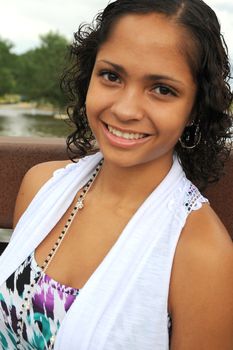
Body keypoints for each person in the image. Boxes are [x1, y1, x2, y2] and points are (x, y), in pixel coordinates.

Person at [0, 0, 233, 349]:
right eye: (111, 76)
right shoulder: (41, 187)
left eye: (162, 89)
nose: (124, 110)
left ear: (195, 109)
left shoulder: (201, 254)